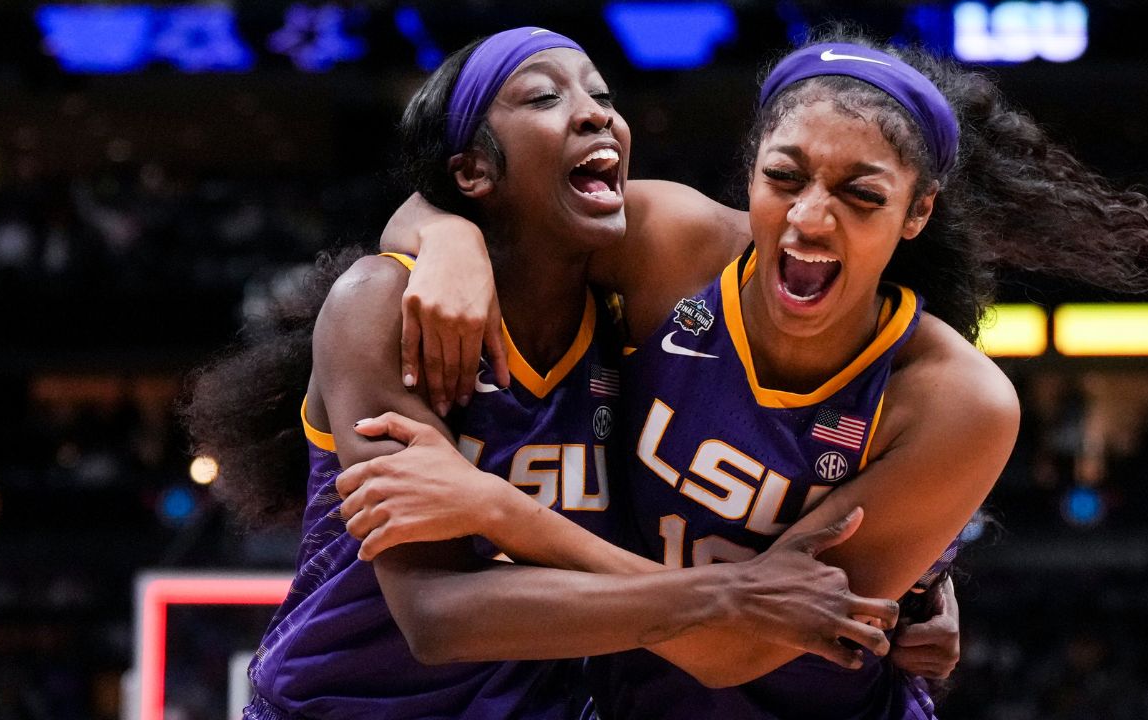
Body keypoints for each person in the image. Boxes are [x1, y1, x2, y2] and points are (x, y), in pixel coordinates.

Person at [340, 23, 1148, 719]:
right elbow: (507, 206)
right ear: (750, 177)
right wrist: (441, 234)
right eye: (786, 177)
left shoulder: (957, 400)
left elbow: (730, 647)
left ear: (917, 214)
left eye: (861, 195)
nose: (812, 218)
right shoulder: (667, 244)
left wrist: (502, 512)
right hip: (614, 695)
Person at [184, 27, 930, 720]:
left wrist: (928, 577)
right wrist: (730, 597)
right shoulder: (383, 303)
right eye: (546, 97)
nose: (595, 115)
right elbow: (435, 618)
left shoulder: (629, 321)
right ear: (471, 170)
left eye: (603, 97)